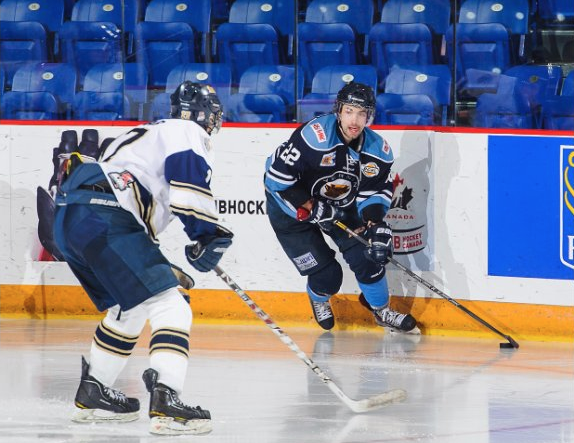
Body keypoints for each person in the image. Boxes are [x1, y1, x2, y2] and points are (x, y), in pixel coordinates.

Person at [53, 82, 233, 435]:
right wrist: (207, 235)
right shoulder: (187, 131)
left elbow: (128, 200)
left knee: (131, 307)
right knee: (172, 304)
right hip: (106, 217)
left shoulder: (145, 133)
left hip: (71, 217)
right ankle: (167, 400)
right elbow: (187, 182)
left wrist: (159, 260)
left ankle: (94, 392)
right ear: (206, 115)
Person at [264, 82, 419, 334]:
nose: (354, 120)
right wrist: (311, 206)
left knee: (368, 255)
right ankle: (318, 297)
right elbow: (276, 180)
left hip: (338, 206)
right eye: (349, 111)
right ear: (338, 110)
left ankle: (380, 311)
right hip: (289, 209)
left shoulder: (377, 150)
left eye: (361, 113)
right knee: (328, 277)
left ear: (369, 116)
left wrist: (376, 223)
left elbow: (373, 193)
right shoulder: (314, 137)